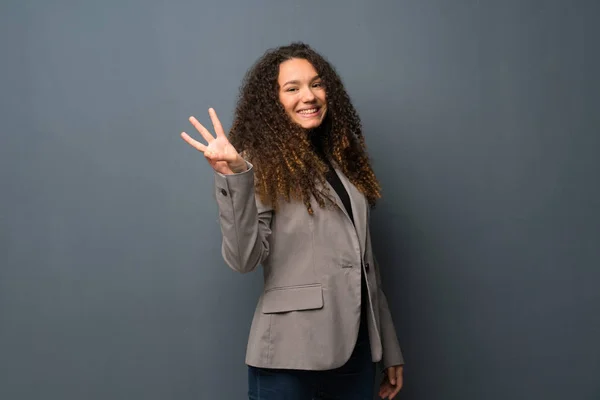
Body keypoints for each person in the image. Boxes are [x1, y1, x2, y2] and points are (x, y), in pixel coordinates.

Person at [180, 42, 404, 400]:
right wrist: (235, 177)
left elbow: (365, 264)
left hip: (358, 353)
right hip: (289, 355)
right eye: (292, 88)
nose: (309, 96)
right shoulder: (255, 164)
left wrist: (388, 347)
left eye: (316, 84)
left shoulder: (344, 163)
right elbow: (243, 259)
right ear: (273, 101)